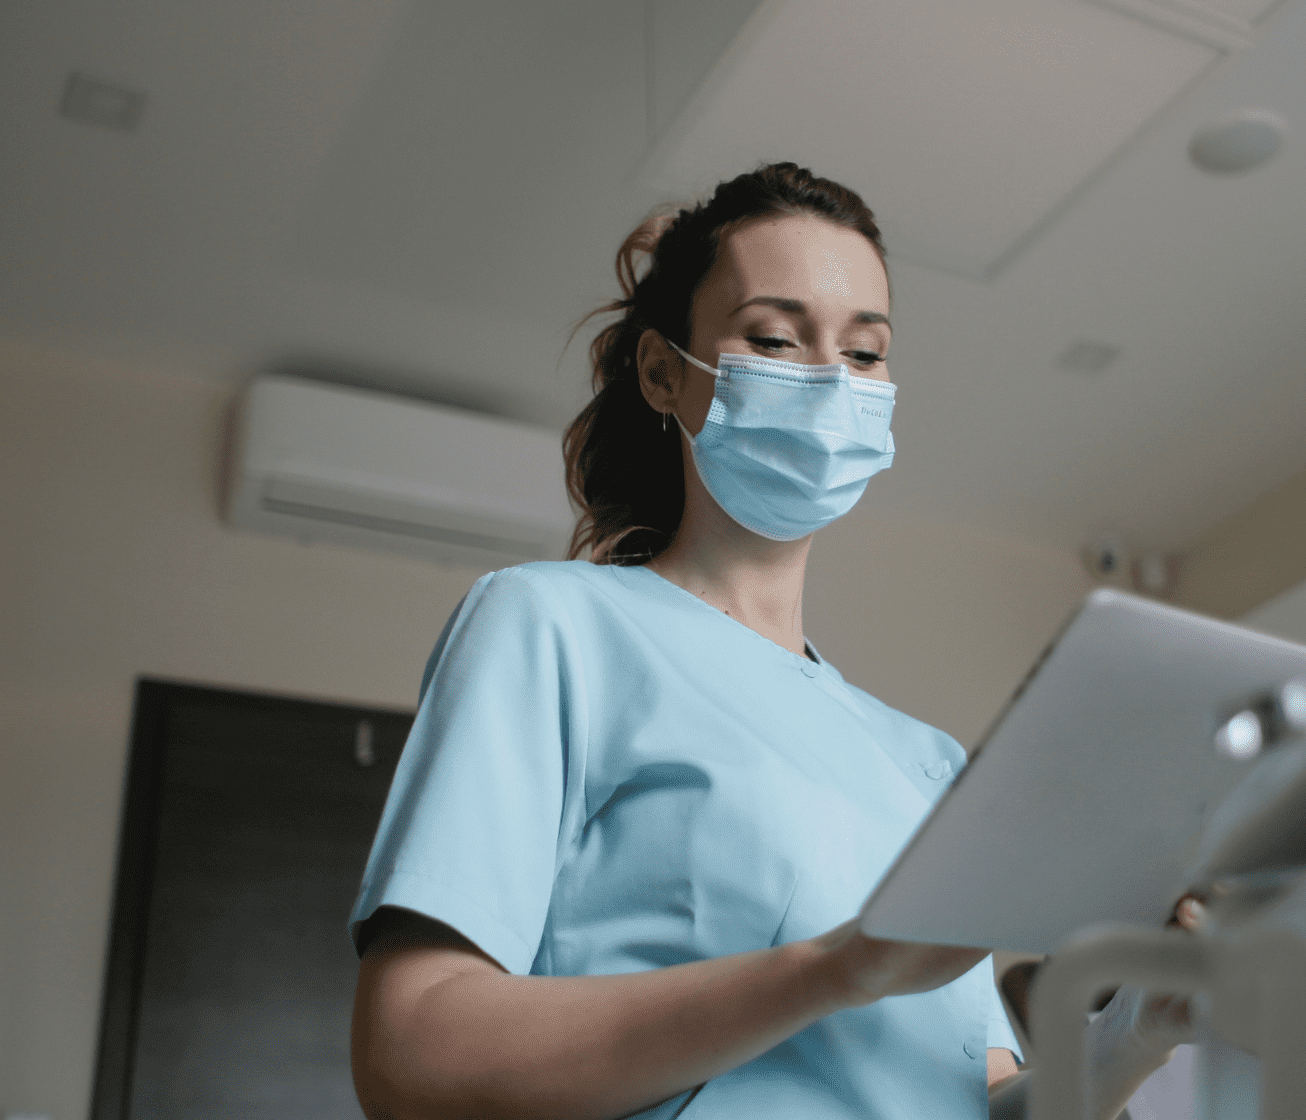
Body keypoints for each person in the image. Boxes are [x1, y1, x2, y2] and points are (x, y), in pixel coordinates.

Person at [346, 163, 1181, 1120]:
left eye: (866, 355)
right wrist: (841, 967)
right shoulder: (553, 626)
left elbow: (979, 1101)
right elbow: (413, 1055)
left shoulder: (929, 763)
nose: (833, 384)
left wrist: (1136, 1036)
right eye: (777, 340)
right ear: (666, 372)